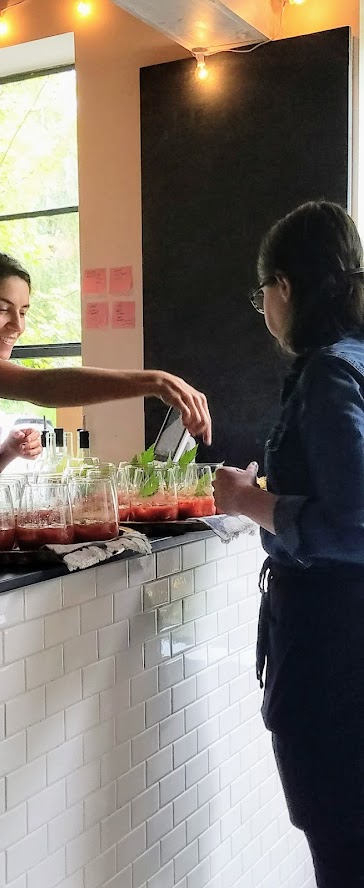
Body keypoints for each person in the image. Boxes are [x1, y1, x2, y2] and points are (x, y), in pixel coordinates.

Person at [213, 200, 364, 887]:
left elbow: (354, 524)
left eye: (261, 293)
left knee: (337, 833)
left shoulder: (330, 372)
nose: (264, 309)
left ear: (285, 288)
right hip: (338, 641)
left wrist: (248, 500)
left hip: (334, 645)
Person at [0, 248, 212, 520]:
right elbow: (41, 386)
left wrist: (6, 453)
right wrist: (154, 381)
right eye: (3, 309)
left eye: (23, 311)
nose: (17, 325)